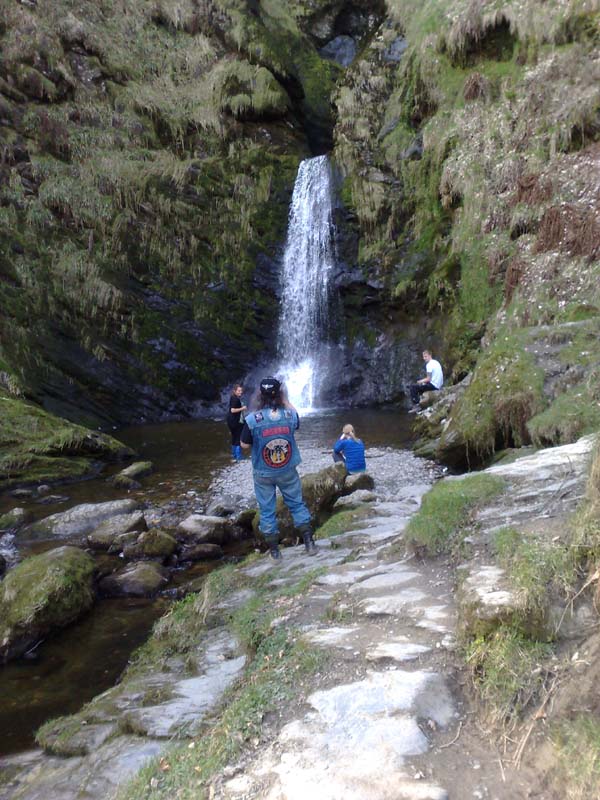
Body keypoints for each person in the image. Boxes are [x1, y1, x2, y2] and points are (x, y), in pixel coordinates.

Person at [240, 376, 316, 560]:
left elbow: (244, 445)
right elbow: (296, 421)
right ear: (279, 395)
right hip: (287, 469)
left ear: (260, 395)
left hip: (263, 472)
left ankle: (275, 552)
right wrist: (286, 401)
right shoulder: (289, 415)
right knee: (297, 504)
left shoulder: (252, 419)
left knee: (267, 510)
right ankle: (309, 543)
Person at [226, 383, 247, 460]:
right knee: (238, 437)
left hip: (231, 420)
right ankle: (238, 456)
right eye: (238, 391)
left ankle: (234, 454)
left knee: (234, 437)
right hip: (235, 421)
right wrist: (243, 408)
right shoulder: (235, 399)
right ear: (234, 391)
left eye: (241, 390)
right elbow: (233, 410)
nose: (240, 392)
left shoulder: (233, 397)